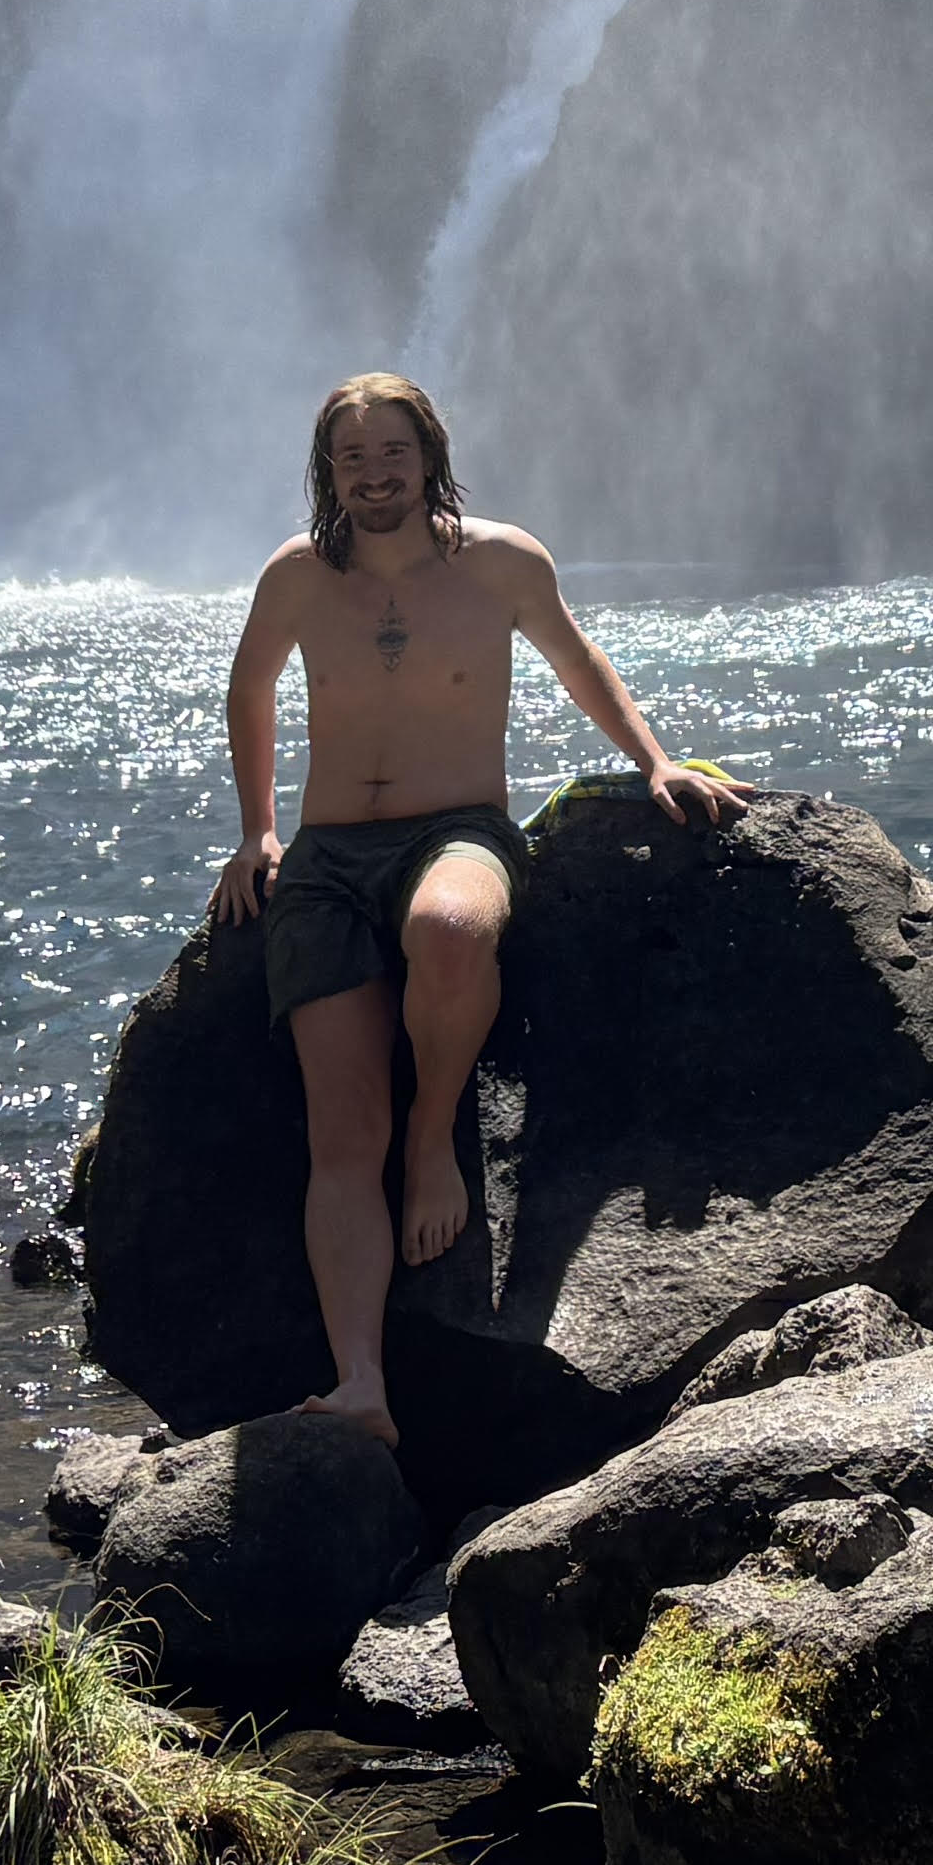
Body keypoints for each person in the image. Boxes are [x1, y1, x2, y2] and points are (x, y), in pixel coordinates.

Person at [209, 369, 743, 1442]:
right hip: (324, 862)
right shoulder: (299, 577)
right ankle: (362, 1384)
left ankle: (435, 1136)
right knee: (336, 1128)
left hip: (457, 833)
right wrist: (257, 833)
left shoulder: (502, 561)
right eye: (351, 458)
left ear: (429, 454)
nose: (373, 475)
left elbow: (576, 657)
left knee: (450, 930)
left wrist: (651, 765)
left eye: (390, 452)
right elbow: (250, 686)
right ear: (328, 474)